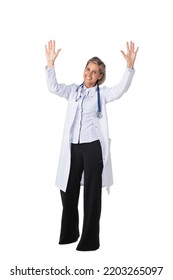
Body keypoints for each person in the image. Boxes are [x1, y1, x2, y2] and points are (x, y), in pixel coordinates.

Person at [45, 40, 138, 251]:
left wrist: (129, 68)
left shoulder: (102, 94)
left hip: (93, 148)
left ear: (99, 77)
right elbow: (52, 87)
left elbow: (121, 89)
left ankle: (89, 241)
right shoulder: (72, 91)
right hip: (72, 148)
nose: (89, 73)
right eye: (88, 69)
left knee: (91, 195)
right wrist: (50, 64)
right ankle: (69, 234)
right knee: (68, 191)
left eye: (94, 72)